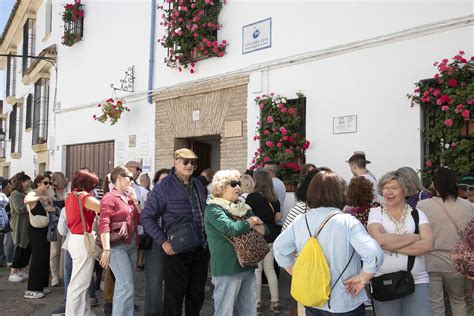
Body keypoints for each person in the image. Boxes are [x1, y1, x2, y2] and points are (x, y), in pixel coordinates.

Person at [274, 170, 384, 315]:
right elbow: (374, 254)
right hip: (344, 300)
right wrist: (363, 278)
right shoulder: (347, 222)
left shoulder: (301, 220)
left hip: (312, 299)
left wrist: (295, 271)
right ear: (340, 192)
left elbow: (279, 249)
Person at [142, 148, 209, 316]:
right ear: (175, 162)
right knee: (174, 299)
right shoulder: (163, 187)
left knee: (197, 296)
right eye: (185, 161)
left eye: (192, 162)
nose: (189, 165)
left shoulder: (198, 185)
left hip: (200, 250)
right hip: (176, 251)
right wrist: (163, 242)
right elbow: (147, 217)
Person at [368, 171, 434, 316]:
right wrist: (413, 237)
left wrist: (391, 245)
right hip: (384, 281)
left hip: (417, 281)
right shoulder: (375, 213)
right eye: (385, 188)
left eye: (393, 188)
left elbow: (428, 245)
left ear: (404, 190)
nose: (388, 192)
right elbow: (380, 240)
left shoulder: (417, 214)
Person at [205, 169, 267, 315]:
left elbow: (265, 230)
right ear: (220, 187)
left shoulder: (243, 207)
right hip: (227, 269)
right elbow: (231, 229)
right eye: (233, 184)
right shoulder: (213, 208)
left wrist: (248, 224)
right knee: (224, 312)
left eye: (238, 183)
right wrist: (251, 221)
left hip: (248, 265)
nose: (238, 187)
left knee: (249, 311)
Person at [417, 167, 474, 316]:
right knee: (458, 300)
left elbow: (417, 233)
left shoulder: (423, 206)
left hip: (431, 260)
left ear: (434, 184)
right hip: (456, 262)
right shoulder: (468, 206)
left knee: (435, 303)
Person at [99, 166, 141, 316]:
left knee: (125, 287)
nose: (132, 181)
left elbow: (140, 219)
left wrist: (136, 202)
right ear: (119, 178)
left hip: (131, 244)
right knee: (126, 286)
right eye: (130, 178)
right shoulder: (109, 197)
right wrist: (106, 249)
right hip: (117, 247)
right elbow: (104, 223)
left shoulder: (129, 197)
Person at [245, 170, 283, 314]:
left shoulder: (252, 197)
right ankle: (275, 302)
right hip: (271, 236)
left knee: (257, 271)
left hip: (256, 237)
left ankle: (257, 304)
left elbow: (246, 217)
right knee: (270, 270)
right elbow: (278, 217)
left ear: (257, 180)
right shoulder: (274, 197)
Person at [64, 169, 100, 315]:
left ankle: (84, 312)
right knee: (79, 283)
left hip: (74, 238)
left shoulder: (71, 196)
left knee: (80, 281)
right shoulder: (85, 197)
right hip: (82, 239)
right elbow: (105, 208)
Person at [24, 174, 56, 299]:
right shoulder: (33, 193)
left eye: (49, 183)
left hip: (44, 229)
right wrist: (39, 198)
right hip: (35, 230)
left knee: (44, 256)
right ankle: (32, 288)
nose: (48, 185)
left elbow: (49, 209)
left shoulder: (47, 195)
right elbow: (27, 200)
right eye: (45, 183)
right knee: (37, 257)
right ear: (38, 183)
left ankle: (42, 285)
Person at [8, 172, 32, 282]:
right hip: (19, 225)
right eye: (27, 181)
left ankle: (20, 270)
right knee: (20, 247)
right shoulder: (16, 194)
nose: (29, 183)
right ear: (22, 182)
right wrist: (30, 204)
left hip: (24, 224)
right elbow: (19, 208)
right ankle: (13, 272)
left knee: (25, 248)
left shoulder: (20, 193)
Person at [50, 171, 69, 287]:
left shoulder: (69, 188)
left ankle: (65, 274)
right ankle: (55, 276)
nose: (53, 182)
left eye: (55, 180)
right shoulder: (50, 191)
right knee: (54, 251)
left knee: (66, 251)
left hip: (68, 223)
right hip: (55, 224)